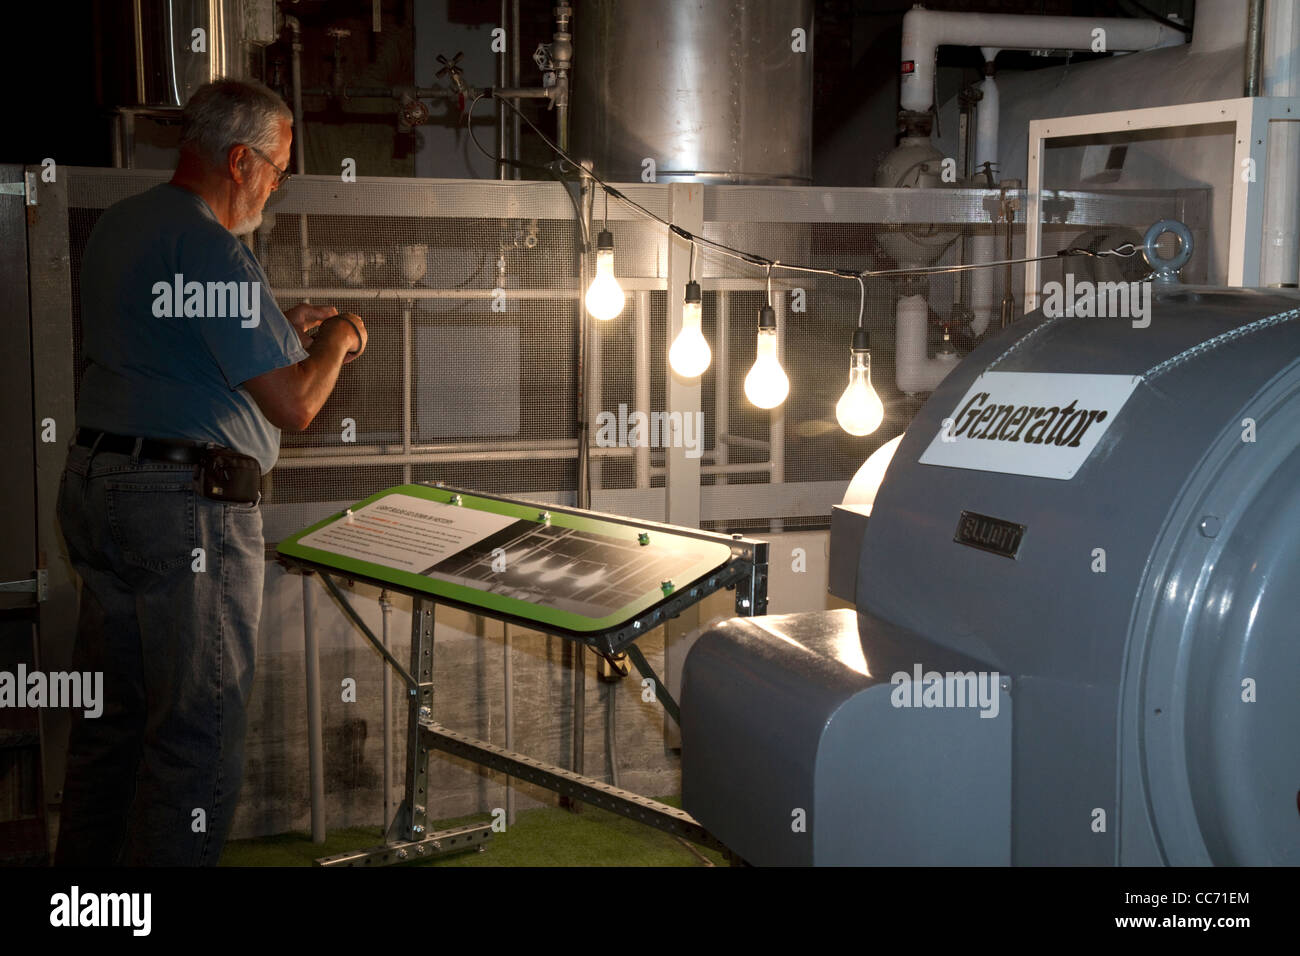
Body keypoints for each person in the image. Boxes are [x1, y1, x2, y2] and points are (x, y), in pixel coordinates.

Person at [54, 78, 368, 865]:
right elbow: (295, 403)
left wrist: (273, 324)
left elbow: (173, 342)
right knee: (198, 736)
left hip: (101, 490)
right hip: (187, 512)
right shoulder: (213, 247)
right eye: (277, 168)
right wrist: (341, 340)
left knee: (112, 730)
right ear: (240, 159)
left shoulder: (126, 225)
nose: (276, 185)